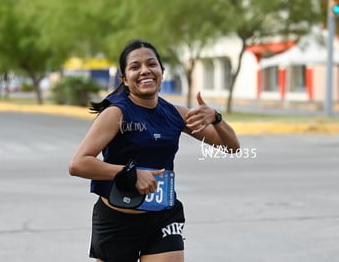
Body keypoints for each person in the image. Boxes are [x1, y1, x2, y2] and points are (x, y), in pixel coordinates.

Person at [69, 39, 240, 262]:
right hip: (118, 220)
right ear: (124, 79)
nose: (144, 71)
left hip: (163, 217)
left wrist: (216, 118)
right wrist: (130, 173)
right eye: (134, 67)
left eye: (151, 64)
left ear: (161, 71)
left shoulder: (176, 114)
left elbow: (231, 147)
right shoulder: (116, 113)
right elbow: (78, 164)